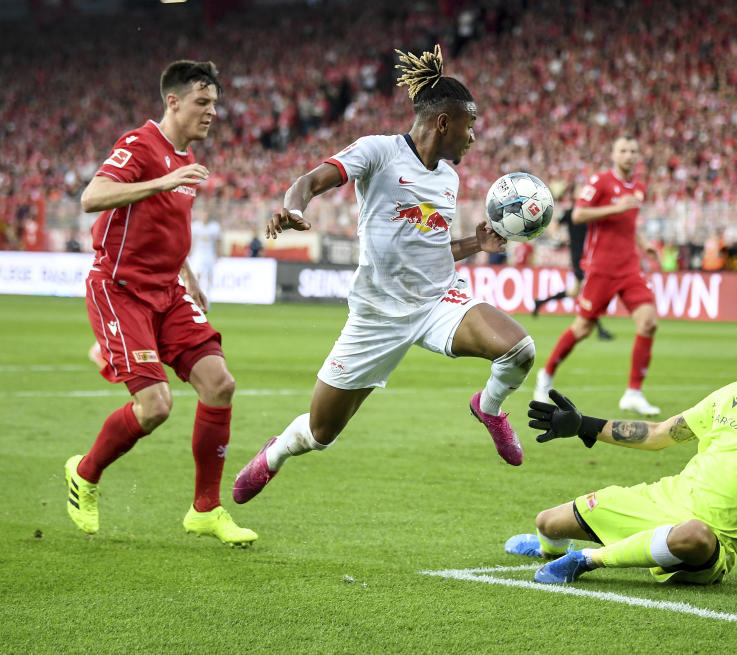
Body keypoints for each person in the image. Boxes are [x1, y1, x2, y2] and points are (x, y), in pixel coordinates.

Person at [232, 45, 535, 504]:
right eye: (470, 125)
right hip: (377, 313)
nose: (474, 136)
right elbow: (312, 180)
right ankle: (275, 453)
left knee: (519, 350)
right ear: (443, 122)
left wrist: (477, 245)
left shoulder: (448, 178)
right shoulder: (380, 152)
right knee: (320, 432)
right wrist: (293, 208)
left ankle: (488, 408)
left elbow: (429, 248)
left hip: (437, 301)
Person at [507, 319, 737, 606]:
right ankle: (548, 550)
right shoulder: (732, 396)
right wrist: (584, 425)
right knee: (547, 522)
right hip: (661, 501)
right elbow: (659, 434)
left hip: (709, 542)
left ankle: (584, 560)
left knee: (694, 534)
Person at [65, 60, 257, 546]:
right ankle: (84, 473)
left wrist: (189, 276)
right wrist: (161, 182)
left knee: (219, 383)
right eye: (202, 102)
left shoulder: (185, 157)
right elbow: (93, 197)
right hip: (121, 287)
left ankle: (205, 510)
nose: (212, 111)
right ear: (173, 102)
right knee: (155, 407)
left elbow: (168, 227)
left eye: (214, 102)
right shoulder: (139, 145)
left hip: (168, 289)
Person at [533, 135, 660, 416]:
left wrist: (643, 244)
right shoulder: (600, 182)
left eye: (633, 150)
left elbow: (628, 222)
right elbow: (578, 215)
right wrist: (616, 207)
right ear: (614, 155)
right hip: (600, 267)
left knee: (648, 322)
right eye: (623, 150)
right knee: (583, 329)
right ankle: (547, 374)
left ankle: (633, 392)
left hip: (629, 266)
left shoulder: (638, 187)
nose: (629, 155)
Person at [531, 189, 614, 341]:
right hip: (580, 259)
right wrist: (558, 237)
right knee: (588, 292)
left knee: (575, 292)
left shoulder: (588, 213)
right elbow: (553, 226)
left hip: (588, 258)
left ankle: (540, 302)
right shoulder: (572, 213)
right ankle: (600, 329)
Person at [188, 209, 221, 298]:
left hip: (210, 254)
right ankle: (197, 294)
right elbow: (191, 241)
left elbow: (218, 241)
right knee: (197, 274)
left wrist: (218, 254)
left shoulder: (214, 227)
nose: (205, 217)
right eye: (203, 215)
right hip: (197, 254)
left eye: (207, 215)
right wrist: (190, 253)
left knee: (209, 275)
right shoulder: (195, 226)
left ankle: (208, 295)